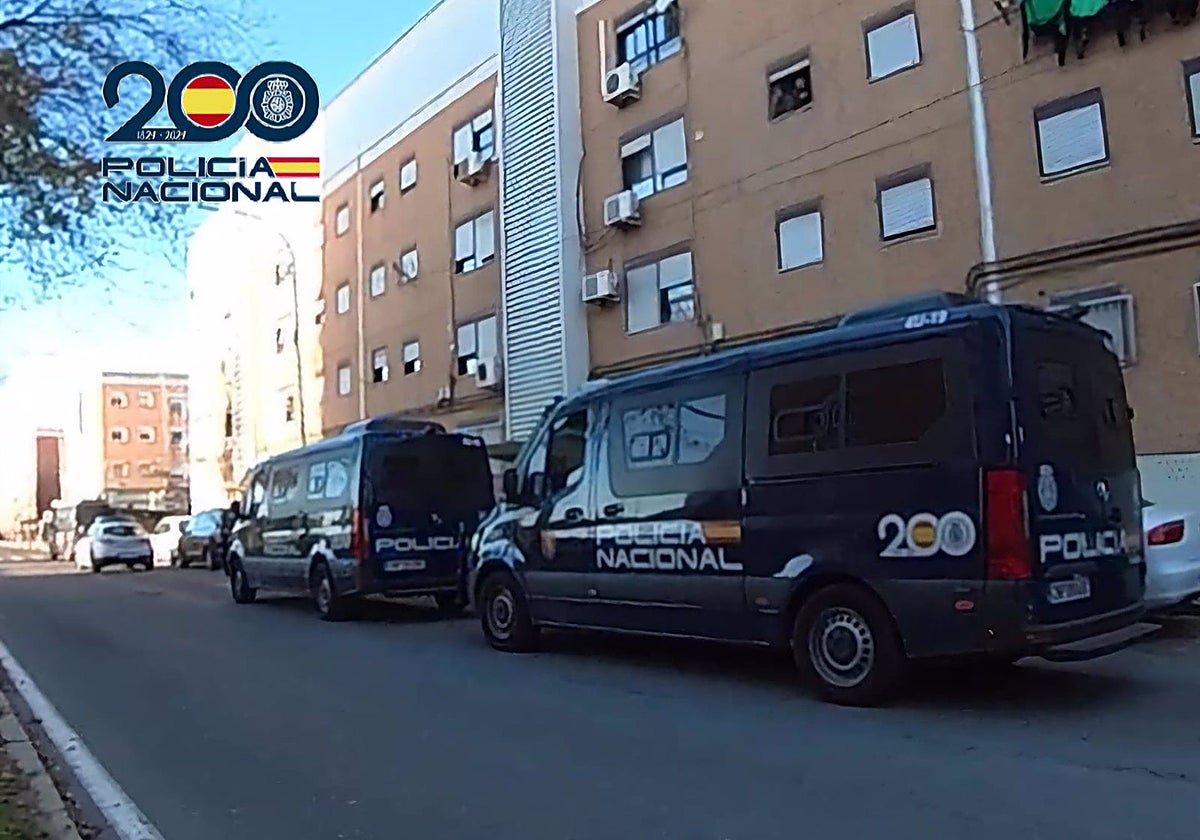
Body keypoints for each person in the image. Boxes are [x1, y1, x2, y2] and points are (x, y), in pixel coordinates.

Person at [217, 500, 241, 575]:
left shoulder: (236, 515)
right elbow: (223, 525)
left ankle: (230, 569)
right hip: (228, 536)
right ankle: (228, 569)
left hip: (231, 536)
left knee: (229, 554)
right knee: (226, 553)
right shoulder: (228, 515)